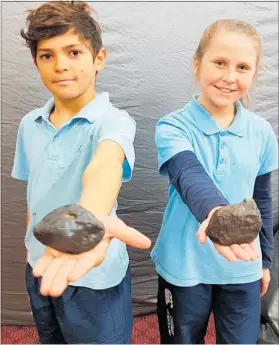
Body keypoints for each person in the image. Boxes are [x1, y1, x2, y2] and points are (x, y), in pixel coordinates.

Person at [11, 1, 151, 343]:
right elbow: (36, 191)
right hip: (43, 264)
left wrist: (88, 219)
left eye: (73, 52)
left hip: (94, 275)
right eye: (47, 55)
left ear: (98, 59)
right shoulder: (30, 124)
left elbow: (104, 168)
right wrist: (33, 245)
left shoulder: (114, 122)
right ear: (36, 62)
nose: (60, 65)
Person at [152, 19, 278, 344]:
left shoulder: (262, 132)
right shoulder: (172, 126)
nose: (229, 77)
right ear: (197, 64)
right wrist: (217, 214)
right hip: (184, 266)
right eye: (219, 63)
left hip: (242, 266)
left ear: (253, 74)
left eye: (242, 67)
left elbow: (261, 198)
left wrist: (265, 261)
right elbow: (187, 173)